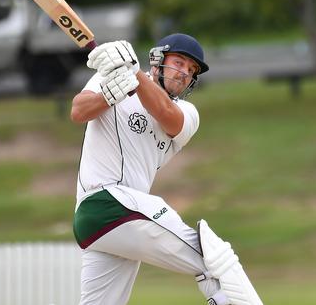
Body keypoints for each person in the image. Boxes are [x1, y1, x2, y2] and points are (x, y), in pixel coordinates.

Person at [70, 34, 262, 305]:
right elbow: (79, 112)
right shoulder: (113, 75)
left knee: (212, 260)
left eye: (191, 70)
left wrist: (134, 75)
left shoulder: (188, 113)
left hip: (118, 221)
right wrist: (109, 94)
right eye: (179, 62)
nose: (184, 73)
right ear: (157, 61)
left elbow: (164, 112)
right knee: (214, 260)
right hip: (105, 204)